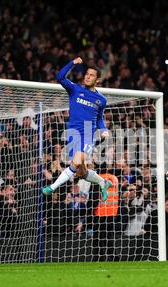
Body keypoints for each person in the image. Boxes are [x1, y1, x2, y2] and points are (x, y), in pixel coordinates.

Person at [42, 57, 112, 201]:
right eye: (87, 74)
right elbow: (60, 77)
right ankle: (103, 182)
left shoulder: (101, 100)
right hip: (72, 132)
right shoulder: (75, 89)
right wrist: (73, 63)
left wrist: (103, 129)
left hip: (87, 132)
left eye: (92, 75)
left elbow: (99, 118)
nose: (88, 76)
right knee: (82, 172)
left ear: (97, 80)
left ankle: (52, 187)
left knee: (75, 163)